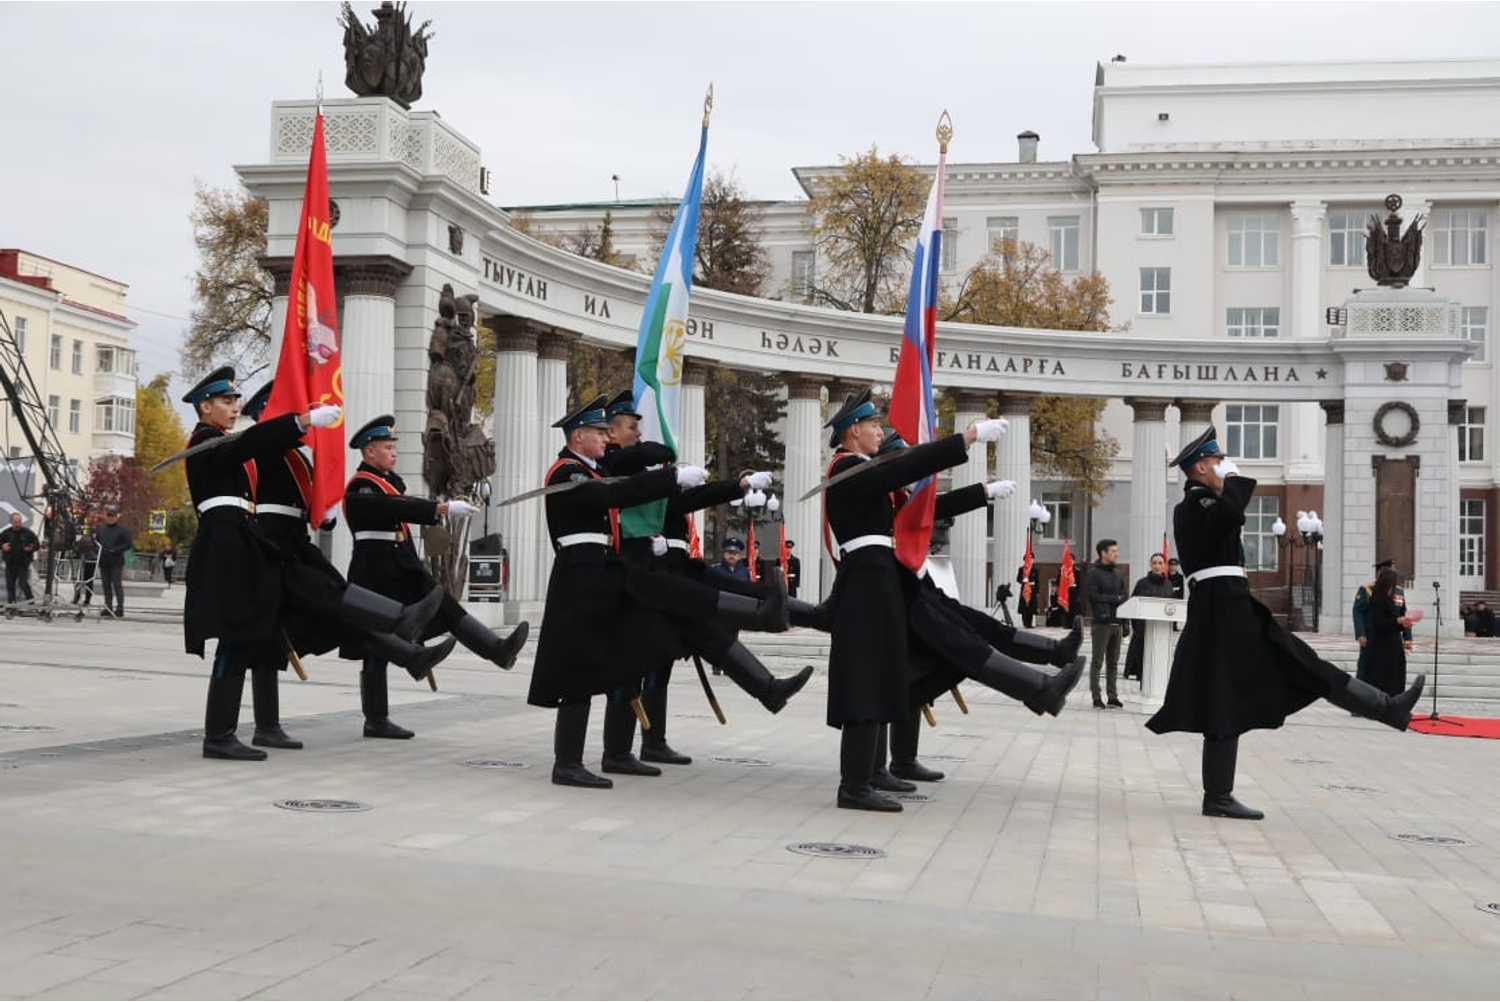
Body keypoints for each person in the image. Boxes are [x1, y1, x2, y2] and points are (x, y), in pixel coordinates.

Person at [821, 389, 1081, 812]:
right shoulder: (846, 468)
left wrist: (981, 492)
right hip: (868, 585)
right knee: (871, 678)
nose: (880, 431)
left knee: (899, 669)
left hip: (882, 581)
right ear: (853, 431)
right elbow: (903, 468)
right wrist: (968, 437)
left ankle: (868, 775)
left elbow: (920, 509)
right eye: (873, 426)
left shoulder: (861, 471)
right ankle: (855, 785)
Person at [1147, 426, 1425, 821]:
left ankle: (1386, 707)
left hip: (1233, 609)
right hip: (1221, 613)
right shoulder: (1194, 505)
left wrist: (1229, 484)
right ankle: (1219, 796)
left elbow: (1229, 522)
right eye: (1216, 461)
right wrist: (1236, 482)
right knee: (1233, 693)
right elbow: (1228, 517)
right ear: (1199, 467)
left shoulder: (1208, 501)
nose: (1222, 466)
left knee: (1298, 668)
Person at [530, 395, 787, 789]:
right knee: (577, 670)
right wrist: (669, 478)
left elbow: (624, 490)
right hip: (580, 577)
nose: (605, 439)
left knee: (643, 633)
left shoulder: (590, 470)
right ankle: (567, 763)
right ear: (578, 435)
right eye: (599, 433)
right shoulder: (568, 472)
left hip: (601, 571)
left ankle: (759, 613)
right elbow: (612, 497)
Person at [238, 383, 455, 748]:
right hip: (271, 543)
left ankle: (409, 653)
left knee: (331, 612)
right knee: (311, 612)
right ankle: (403, 630)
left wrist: (322, 512)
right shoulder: (262, 447)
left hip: (294, 541)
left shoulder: (292, 454)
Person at [182, 366, 340, 760]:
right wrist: (299, 421)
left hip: (239, 538)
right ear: (205, 407)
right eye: (226, 401)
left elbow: (249, 446)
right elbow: (244, 446)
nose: (234, 408)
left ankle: (226, 732)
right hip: (224, 542)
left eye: (236, 401)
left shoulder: (219, 440)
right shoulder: (204, 440)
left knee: (246, 636)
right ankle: (218, 735)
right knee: (234, 638)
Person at [342, 414, 530, 739]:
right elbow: (394, 508)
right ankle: (376, 718)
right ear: (369, 452)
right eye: (387, 447)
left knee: (446, 605)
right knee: (375, 646)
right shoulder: (362, 485)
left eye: (394, 447)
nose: (394, 453)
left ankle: (497, 649)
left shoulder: (387, 483)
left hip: (400, 567)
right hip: (374, 571)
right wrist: (440, 510)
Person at [1085, 538, 1127, 708]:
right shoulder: (1094, 573)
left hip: (1117, 623)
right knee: (1097, 661)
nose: (1117, 554)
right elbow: (1093, 597)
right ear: (1103, 553)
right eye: (1113, 551)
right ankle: (1096, 696)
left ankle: (1112, 696)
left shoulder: (1118, 573)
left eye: (1116, 551)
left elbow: (1124, 597)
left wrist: (1126, 623)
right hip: (1101, 623)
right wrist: (1114, 599)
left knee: (1114, 663)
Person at [1352, 558, 1410, 680]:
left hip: (1391, 639)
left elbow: (1403, 614)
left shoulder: (1398, 591)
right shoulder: (1367, 589)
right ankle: (1360, 692)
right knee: (1366, 666)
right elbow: (1358, 612)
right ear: (1379, 573)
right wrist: (1361, 633)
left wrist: (1407, 639)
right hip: (1372, 636)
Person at [1123, 553, 1175, 682]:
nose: (1157, 566)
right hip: (1143, 627)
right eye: (1155, 563)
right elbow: (1133, 604)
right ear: (1151, 565)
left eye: (1160, 563)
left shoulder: (1168, 584)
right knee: (1142, 654)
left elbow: (1171, 606)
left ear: (1165, 566)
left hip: (1161, 628)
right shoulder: (1142, 583)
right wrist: (1137, 625)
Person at [1364, 568, 1413, 696]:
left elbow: (1394, 621)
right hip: (1382, 645)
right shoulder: (1378, 599)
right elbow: (1379, 623)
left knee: (1396, 673)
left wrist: (1403, 625)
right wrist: (1398, 621)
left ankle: (1394, 701)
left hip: (1394, 643)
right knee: (1382, 674)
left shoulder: (1390, 598)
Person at [96, 505, 133, 618]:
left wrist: (116, 550)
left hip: (116, 561)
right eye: (109, 515)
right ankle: (108, 607)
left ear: (117, 517)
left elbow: (128, 544)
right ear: (106, 516)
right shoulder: (101, 530)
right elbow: (96, 543)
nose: (110, 518)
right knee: (106, 585)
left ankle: (120, 608)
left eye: (113, 515)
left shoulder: (123, 531)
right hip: (104, 561)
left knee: (117, 585)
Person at [1, 510, 39, 604]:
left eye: (20, 521)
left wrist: (31, 547)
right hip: (10, 563)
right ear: (11, 522)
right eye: (16, 522)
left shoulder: (28, 533)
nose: (18, 524)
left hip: (23, 563)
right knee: (10, 585)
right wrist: (2, 546)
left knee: (23, 583)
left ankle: (31, 601)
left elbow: (37, 544)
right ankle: (11, 605)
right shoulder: (6, 533)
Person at [73, 528, 99, 605]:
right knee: (88, 581)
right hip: (90, 560)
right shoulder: (94, 541)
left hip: (85, 560)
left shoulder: (85, 539)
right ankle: (86, 600)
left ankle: (77, 598)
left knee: (80, 580)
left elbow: (77, 549)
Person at [1016, 561, 1040, 628]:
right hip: (1025, 590)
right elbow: (1018, 579)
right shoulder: (1022, 569)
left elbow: (1037, 581)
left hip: (1032, 590)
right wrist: (1024, 580)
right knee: (1024, 607)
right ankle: (1025, 623)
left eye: (1031, 559)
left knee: (1031, 607)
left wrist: (1037, 591)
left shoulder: (1035, 570)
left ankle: (1029, 623)